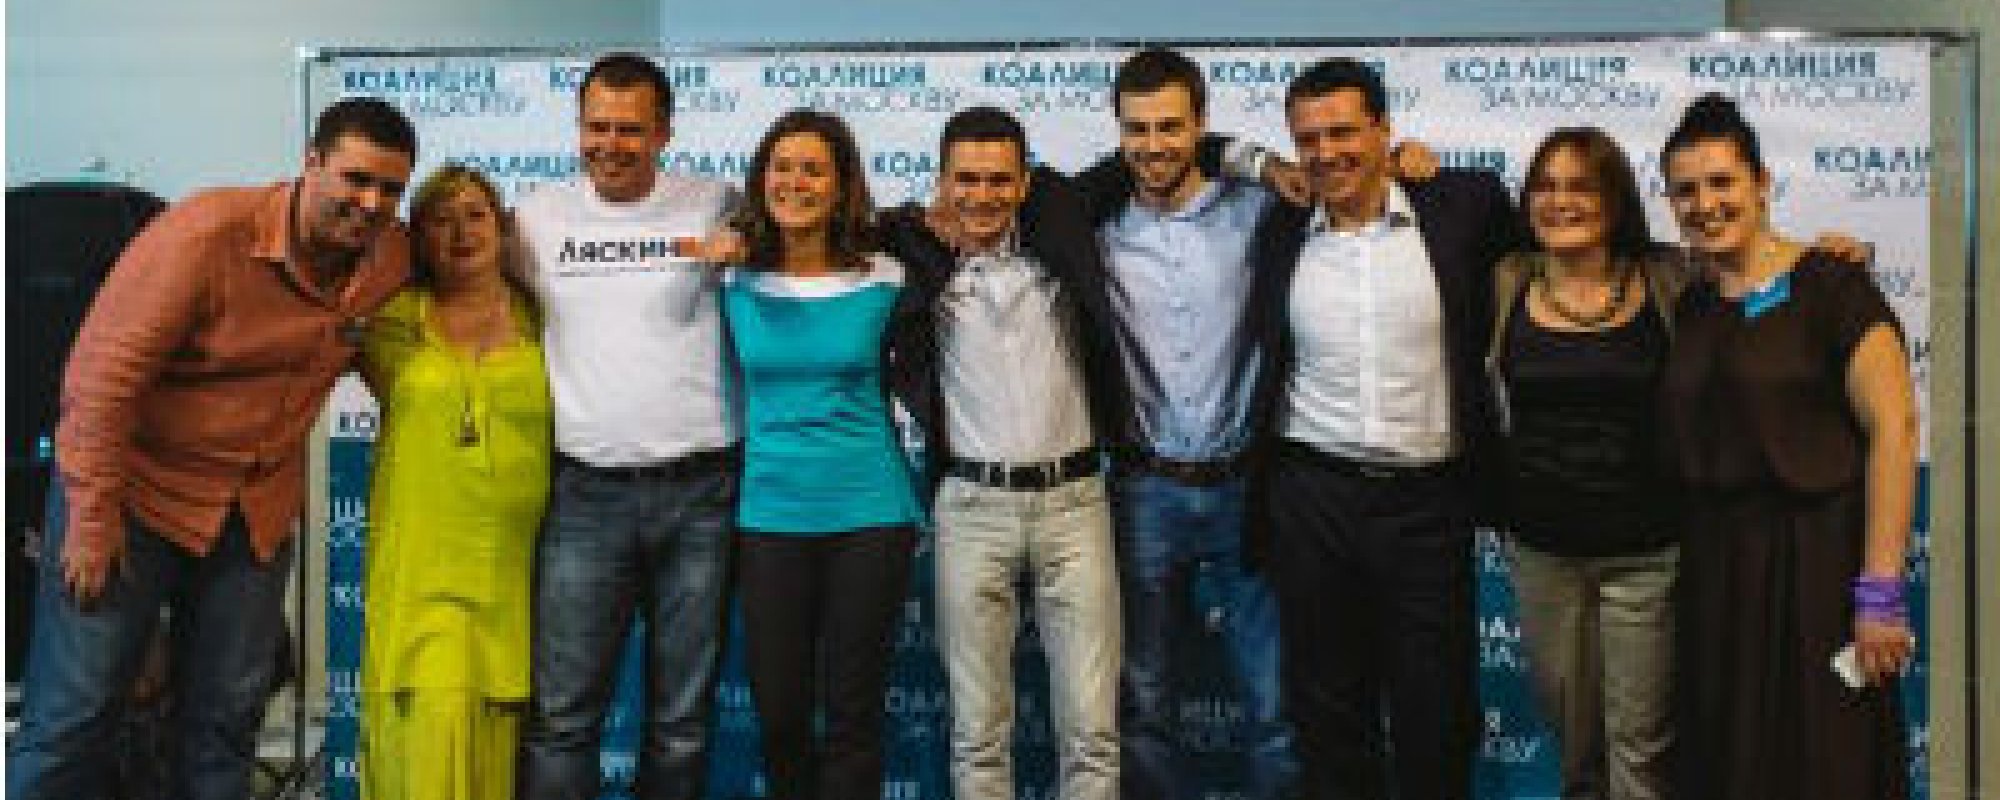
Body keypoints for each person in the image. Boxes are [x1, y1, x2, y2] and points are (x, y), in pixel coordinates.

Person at [7, 96, 417, 800]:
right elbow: (100, 384)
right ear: (312, 162)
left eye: (390, 189)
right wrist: (92, 521)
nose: (371, 204)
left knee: (226, 726)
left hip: (252, 517)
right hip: (132, 502)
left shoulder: (391, 256)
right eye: (356, 179)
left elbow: (474, 255)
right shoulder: (204, 235)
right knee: (73, 719)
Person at [1249, 56, 1528, 800]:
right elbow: (1183, 154)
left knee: (1437, 712)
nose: (1326, 152)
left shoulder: (1464, 205)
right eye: (1308, 138)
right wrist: (1260, 163)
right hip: (1312, 498)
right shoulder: (1277, 226)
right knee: (1327, 711)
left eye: (1343, 132)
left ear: (1384, 130)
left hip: (1428, 504)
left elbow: (1579, 247)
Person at [1659, 93, 1916, 800]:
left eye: (1722, 182)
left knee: (1823, 760)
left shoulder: (1833, 286)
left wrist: (1880, 593)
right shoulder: (1693, 302)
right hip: (1717, 572)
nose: (1705, 204)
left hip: (1816, 570)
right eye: (1686, 190)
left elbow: (1895, 428)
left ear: (1763, 183)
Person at [877, 106, 1125, 800]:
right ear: (941, 182)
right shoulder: (915, 256)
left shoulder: (1062, 229)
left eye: (997, 181)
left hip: (1075, 506)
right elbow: (837, 222)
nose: (981, 196)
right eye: (965, 180)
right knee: (978, 736)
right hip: (971, 509)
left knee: (1093, 735)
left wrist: (1258, 163)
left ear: (1024, 184)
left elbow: (1147, 154)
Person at [514, 52, 740, 800]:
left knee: (681, 722)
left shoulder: (719, 203)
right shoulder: (534, 218)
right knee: (562, 717)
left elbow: (824, 235)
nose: (609, 144)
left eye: (630, 130)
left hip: (703, 494)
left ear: (665, 133)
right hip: (583, 495)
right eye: (596, 127)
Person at [1092, 47, 1298, 800]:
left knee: (1272, 697)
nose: (1153, 145)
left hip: (1248, 486)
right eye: (1137, 128)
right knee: (1144, 698)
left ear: (1202, 124)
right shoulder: (1094, 226)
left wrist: (1255, 160)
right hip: (1144, 490)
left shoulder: (1262, 213)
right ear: (1119, 131)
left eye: (1171, 126)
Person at [721, 109, 924, 800]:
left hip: (869, 515)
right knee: (780, 717)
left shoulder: (887, 276)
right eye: (782, 167)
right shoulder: (732, 278)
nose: (795, 182)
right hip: (769, 517)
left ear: (841, 187)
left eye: (813, 170)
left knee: (852, 719)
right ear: (761, 179)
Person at [1487, 129, 1685, 800]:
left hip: (1646, 555)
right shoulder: (1506, 279)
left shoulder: (1669, 277)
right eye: (1545, 186)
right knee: (1575, 747)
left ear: (1616, 199)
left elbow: (1759, 273)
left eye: (1581, 186)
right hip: (1543, 555)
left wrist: (1829, 260)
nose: (1560, 200)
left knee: (1642, 747)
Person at [357, 165, 549, 800]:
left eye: (475, 215)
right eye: (440, 220)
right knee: (435, 720)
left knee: (497, 739)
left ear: (502, 227)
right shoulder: (392, 320)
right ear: (417, 238)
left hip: (516, 573)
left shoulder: (542, 317)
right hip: (426, 569)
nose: (461, 233)